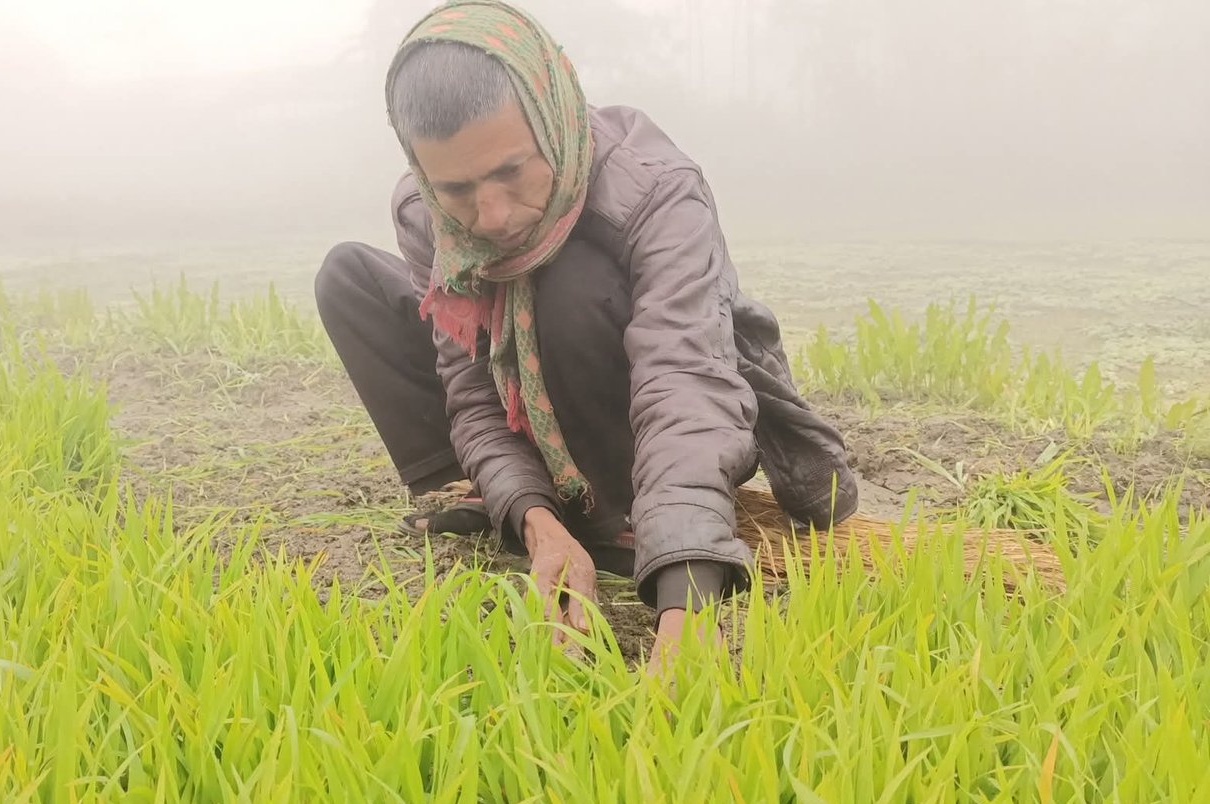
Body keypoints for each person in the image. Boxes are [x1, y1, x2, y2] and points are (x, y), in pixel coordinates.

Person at [313, 0, 859, 669]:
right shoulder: (429, 214)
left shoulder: (656, 191)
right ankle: (497, 497)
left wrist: (687, 601)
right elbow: (474, 391)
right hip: (537, 418)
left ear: (553, 112)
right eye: (456, 189)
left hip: (672, 412)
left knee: (565, 277)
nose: (491, 216)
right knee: (349, 275)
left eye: (512, 171)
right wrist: (539, 528)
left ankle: (618, 515)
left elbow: (683, 381)